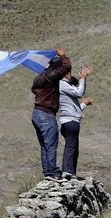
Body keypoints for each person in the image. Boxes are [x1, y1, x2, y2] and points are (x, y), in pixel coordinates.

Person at [31, 48, 71, 180]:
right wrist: (63, 55)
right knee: (51, 144)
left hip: (36, 113)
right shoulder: (51, 76)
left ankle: (47, 171)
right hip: (46, 114)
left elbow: (34, 90)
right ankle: (53, 172)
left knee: (44, 145)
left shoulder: (39, 77)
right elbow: (67, 66)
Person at [59, 66, 93, 178]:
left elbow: (74, 107)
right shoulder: (62, 84)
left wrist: (83, 104)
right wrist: (83, 78)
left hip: (70, 119)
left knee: (74, 147)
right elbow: (79, 93)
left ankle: (71, 171)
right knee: (70, 146)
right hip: (69, 120)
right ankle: (67, 171)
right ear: (66, 74)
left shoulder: (64, 86)